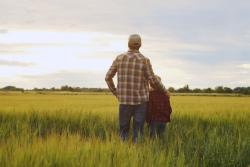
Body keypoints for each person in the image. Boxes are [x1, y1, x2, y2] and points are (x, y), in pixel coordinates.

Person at [105, 34, 167, 142]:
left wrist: (116, 92)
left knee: (123, 132)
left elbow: (108, 77)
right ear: (140, 45)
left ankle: (123, 152)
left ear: (128, 44)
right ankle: (137, 152)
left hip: (124, 101)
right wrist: (164, 90)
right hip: (140, 103)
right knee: (138, 132)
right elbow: (153, 80)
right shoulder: (144, 60)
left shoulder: (119, 58)